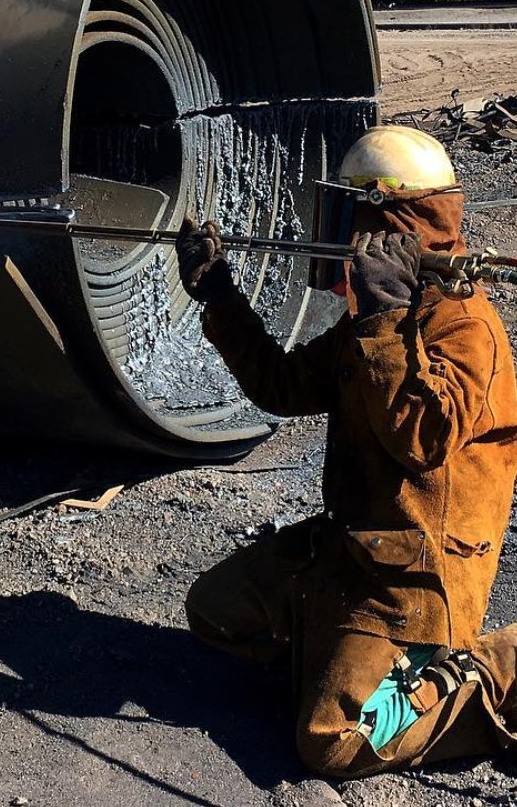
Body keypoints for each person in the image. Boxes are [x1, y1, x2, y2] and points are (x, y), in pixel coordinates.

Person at [176, 124, 517, 778]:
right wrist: (218, 293)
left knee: (332, 740)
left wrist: (382, 319)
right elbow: (282, 384)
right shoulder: (378, 319)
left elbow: (421, 439)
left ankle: (486, 670)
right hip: (354, 550)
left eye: (348, 218)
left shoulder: (463, 329)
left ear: (387, 226)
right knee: (214, 613)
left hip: (417, 583)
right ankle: (345, 662)